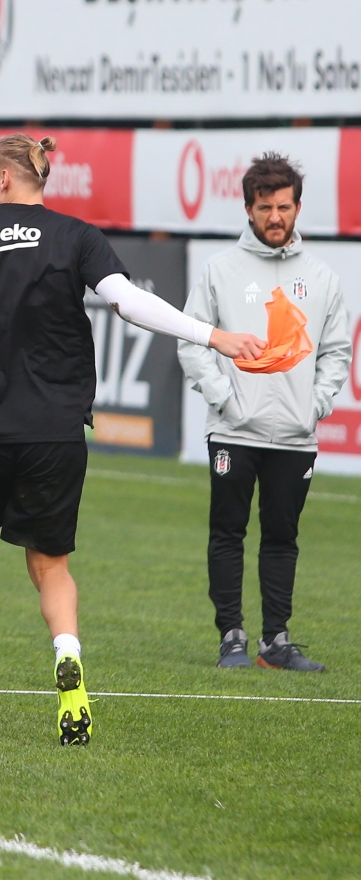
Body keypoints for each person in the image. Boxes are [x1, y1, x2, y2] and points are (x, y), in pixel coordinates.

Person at [0, 134, 267, 745]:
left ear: (5, 179)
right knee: (50, 564)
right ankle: (67, 655)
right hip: (55, 430)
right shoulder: (75, 236)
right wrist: (213, 336)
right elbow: (130, 305)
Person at [178, 153, 351, 672]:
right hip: (234, 431)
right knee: (228, 532)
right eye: (265, 207)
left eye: (284, 207)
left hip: (295, 437)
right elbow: (192, 342)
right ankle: (232, 637)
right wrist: (225, 400)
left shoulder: (321, 277)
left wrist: (315, 406)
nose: (275, 217)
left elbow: (337, 351)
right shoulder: (220, 270)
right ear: (248, 209)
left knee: (282, 537)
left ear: (298, 207)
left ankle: (276, 642)